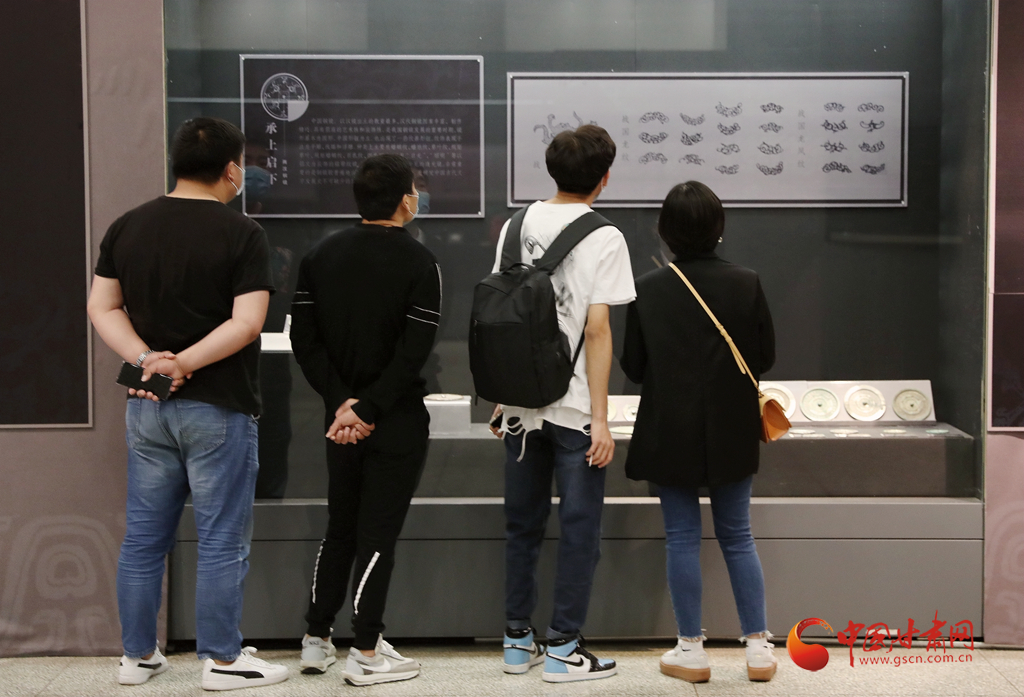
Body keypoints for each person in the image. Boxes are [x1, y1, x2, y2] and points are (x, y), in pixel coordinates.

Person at [87, 117, 288, 690]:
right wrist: (184, 363)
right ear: (231, 170)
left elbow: (102, 306)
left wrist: (148, 360)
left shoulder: (128, 225)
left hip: (146, 401)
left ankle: (136, 657)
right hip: (218, 404)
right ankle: (222, 661)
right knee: (221, 538)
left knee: (144, 539)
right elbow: (247, 323)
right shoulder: (242, 233)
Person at [490, 125, 635, 682]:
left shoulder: (515, 225)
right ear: (604, 178)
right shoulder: (606, 235)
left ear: (552, 169)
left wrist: (502, 397)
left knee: (521, 527)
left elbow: (502, 320)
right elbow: (597, 331)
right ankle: (563, 650)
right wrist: (601, 419)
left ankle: (516, 642)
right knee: (579, 530)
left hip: (522, 409)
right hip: (574, 410)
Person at [290, 154, 440, 686]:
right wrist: (369, 409)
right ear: (405, 201)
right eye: (415, 191)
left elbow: (304, 339)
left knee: (341, 527)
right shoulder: (420, 261)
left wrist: (342, 404)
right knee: (378, 534)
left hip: (340, 423)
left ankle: (316, 639)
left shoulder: (319, 256)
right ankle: (367, 650)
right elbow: (415, 350)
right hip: (394, 420)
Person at [619, 181, 777, 683]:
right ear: (719, 229)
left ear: (664, 231)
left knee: (682, 538)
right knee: (738, 536)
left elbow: (633, 366)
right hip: (732, 425)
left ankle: (691, 650)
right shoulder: (747, 282)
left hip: (670, 426)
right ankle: (758, 649)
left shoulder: (647, 287)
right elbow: (765, 357)